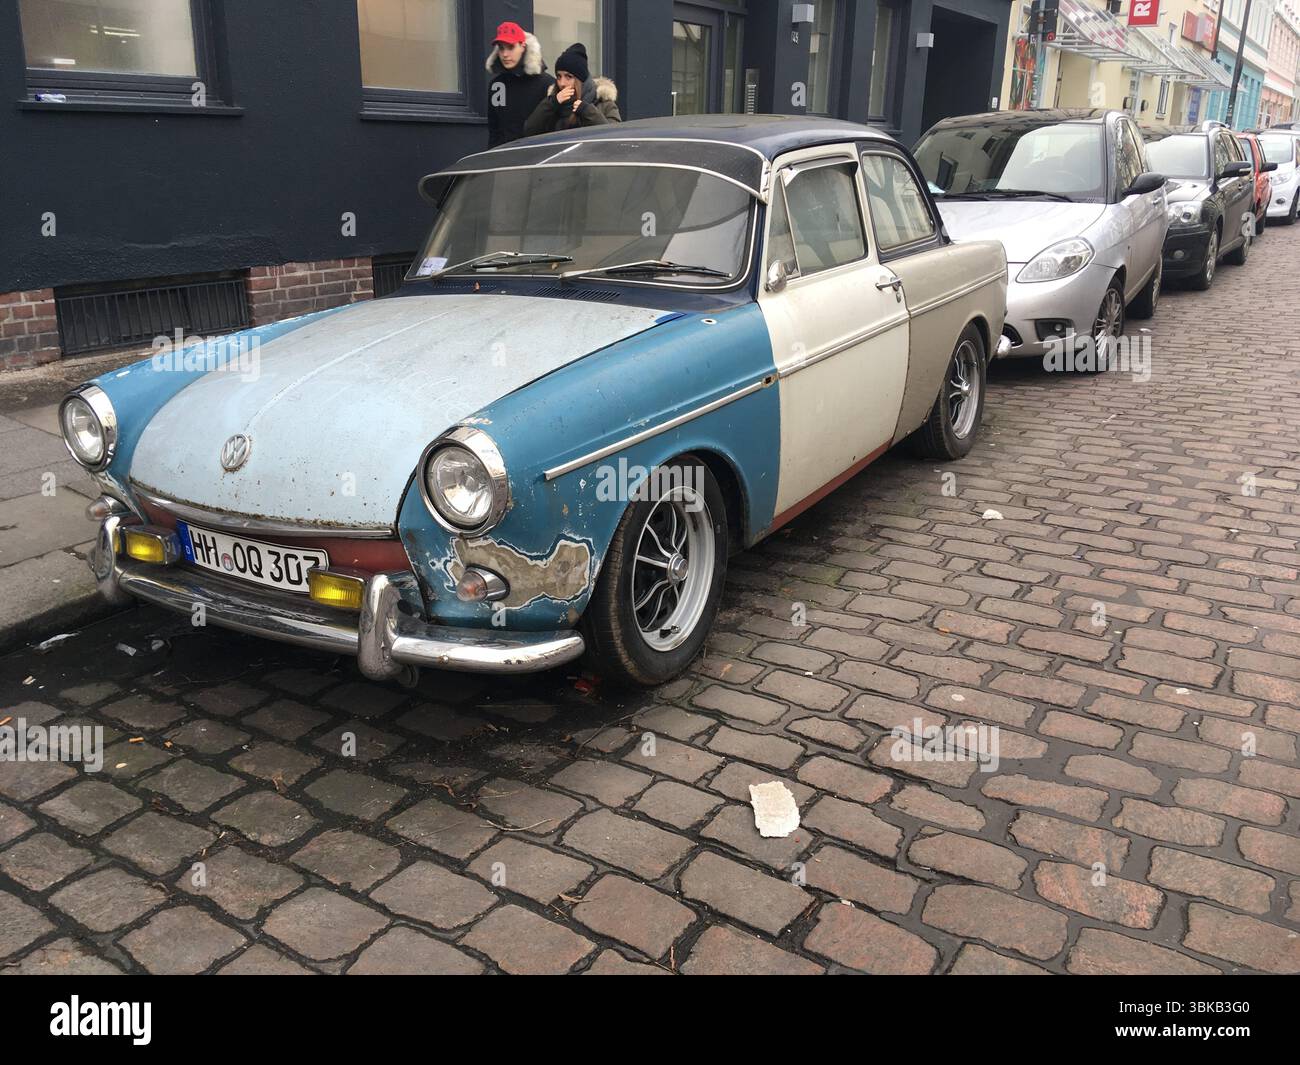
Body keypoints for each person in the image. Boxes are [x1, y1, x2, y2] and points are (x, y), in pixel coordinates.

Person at [523, 43, 621, 136]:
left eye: (569, 77)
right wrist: (552, 103)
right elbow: (529, 131)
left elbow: (613, 137)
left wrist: (587, 111)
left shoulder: (604, 104)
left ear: (581, 80)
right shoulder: (553, 105)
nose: (562, 83)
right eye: (558, 76)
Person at [485, 21, 554, 147]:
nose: (505, 54)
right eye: (501, 48)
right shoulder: (497, 85)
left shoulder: (547, 84)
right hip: (504, 158)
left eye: (510, 47)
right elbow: (495, 129)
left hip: (537, 157)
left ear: (523, 46)